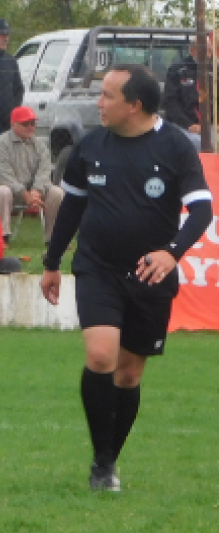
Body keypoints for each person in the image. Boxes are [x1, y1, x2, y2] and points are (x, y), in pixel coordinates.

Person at [40, 64, 212, 491]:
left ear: (134, 105)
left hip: (149, 274)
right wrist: (51, 261)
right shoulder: (91, 145)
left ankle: (108, 460)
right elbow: (73, 207)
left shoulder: (175, 146)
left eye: (108, 95)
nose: (99, 102)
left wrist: (171, 254)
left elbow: (202, 211)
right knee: (101, 356)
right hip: (97, 267)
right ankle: (102, 465)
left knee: (129, 373)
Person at [0, 105, 64, 244]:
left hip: (33, 191)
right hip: (6, 189)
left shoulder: (40, 145)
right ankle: (0, 238)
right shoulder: (0, 144)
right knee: (2, 191)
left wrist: (36, 191)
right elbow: (4, 176)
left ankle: (54, 239)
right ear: (13, 124)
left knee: (57, 193)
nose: (30, 127)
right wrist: (25, 194)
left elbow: (44, 171)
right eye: (25, 124)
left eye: (33, 123)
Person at [162, 33, 212, 149]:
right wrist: (188, 125)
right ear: (193, 50)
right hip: (184, 124)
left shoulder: (215, 70)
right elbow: (170, 103)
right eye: (205, 50)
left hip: (211, 125)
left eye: (210, 50)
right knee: (197, 143)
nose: (208, 55)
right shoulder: (178, 70)